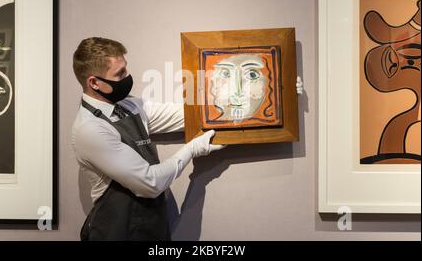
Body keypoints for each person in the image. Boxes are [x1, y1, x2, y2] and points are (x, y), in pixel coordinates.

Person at [71, 37, 303, 241]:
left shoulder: (129, 105)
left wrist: (279, 93)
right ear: (94, 82)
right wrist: (191, 150)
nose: (128, 77)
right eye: (119, 74)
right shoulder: (90, 129)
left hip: (151, 228)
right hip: (115, 233)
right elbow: (150, 184)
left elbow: (190, 114)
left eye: (126, 69)